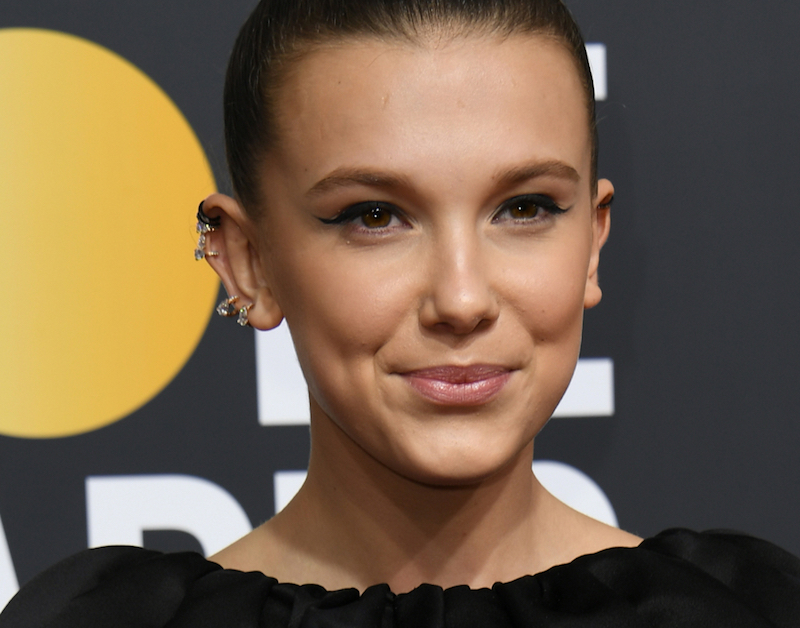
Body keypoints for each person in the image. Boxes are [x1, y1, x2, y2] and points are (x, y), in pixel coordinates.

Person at [2, 0, 800, 625]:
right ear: (247, 261)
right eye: (373, 216)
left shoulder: (747, 609)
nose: (461, 299)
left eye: (524, 208)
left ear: (591, 243)